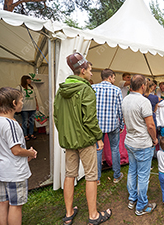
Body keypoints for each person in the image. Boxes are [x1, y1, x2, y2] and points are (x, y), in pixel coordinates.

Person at [54, 52, 111, 225]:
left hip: (69, 141)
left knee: (70, 174)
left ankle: (69, 213)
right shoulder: (86, 89)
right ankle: (93, 215)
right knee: (91, 176)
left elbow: (57, 117)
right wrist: (98, 138)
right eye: (91, 70)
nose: (92, 73)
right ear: (83, 70)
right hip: (85, 140)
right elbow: (90, 119)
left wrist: (66, 134)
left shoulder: (61, 89)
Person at [0, 87, 37, 225]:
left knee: (2, 203)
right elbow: (16, 150)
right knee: (15, 205)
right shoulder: (11, 124)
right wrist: (31, 153)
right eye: (21, 100)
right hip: (14, 172)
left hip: (1, 170)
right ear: (14, 103)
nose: (23, 103)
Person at [122, 74, 158, 216]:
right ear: (143, 86)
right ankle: (141, 206)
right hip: (142, 143)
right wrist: (154, 139)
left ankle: (132, 199)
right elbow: (150, 125)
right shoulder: (143, 101)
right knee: (143, 175)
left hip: (130, 141)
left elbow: (125, 120)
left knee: (132, 171)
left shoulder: (125, 99)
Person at [92, 69, 124, 185]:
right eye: (114, 78)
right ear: (110, 77)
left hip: (97, 126)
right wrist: (121, 125)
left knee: (97, 150)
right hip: (113, 125)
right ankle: (116, 176)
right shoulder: (116, 90)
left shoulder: (93, 88)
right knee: (115, 149)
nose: (114, 80)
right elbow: (121, 109)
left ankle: (97, 178)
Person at [17, 75, 39, 141]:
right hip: (24, 108)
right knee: (25, 121)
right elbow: (17, 97)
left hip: (32, 107)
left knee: (32, 121)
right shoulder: (19, 87)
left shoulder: (31, 87)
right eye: (29, 79)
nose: (30, 81)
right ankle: (25, 135)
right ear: (25, 80)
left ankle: (31, 134)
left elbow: (35, 97)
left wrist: (37, 105)